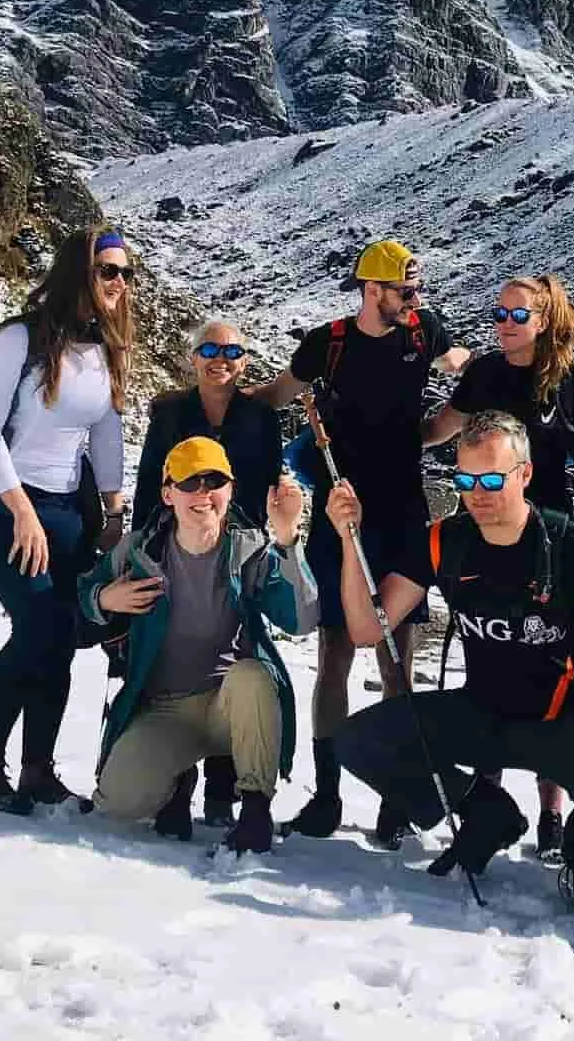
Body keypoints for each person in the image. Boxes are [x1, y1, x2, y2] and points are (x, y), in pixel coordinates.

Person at [333, 412, 574, 911]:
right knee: (359, 741)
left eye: (492, 479)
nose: (477, 494)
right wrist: (347, 539)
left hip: (565, 720)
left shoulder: (572, 548)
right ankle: (486, 812)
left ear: (525, 475)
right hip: (483, 712)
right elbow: (365, 629)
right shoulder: (445, 541)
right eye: (465, 480)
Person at [249, 239, 471, 844]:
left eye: (416, 289)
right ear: (373, 290)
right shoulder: (329, 343)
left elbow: (462, 364)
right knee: (336, 657)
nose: (415, 299)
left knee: (396, 660)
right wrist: (217, 404)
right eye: (404, 290)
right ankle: (327, 794)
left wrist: (486, 382)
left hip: (401, 512)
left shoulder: (423, 331)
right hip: (340, 512)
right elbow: (275, 397)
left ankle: (395, 799)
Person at [424, 274, 574, 858]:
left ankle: (552, 808)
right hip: (482, 535)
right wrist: (376, 435)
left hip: (553, 542)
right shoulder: (483, 373)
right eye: (499, 313)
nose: (505, 323)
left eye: (518, 315)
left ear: (545, 320)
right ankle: (488, 797)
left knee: (556, 668)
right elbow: (440, 429)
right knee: (489, 661)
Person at [0, 228, 133, 813]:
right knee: (39, 630)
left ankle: (37, 771)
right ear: (77, 271)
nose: (119, 283)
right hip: (8, 507)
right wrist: (21, 511)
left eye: (126, 273)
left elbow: (105, 430)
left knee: (60, 639)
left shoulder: (103, 347)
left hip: (68, 510)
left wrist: (112, 509)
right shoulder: (19, 340)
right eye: (108, 270)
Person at [79, 437, 315, 854]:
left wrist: (287, 537)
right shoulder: (139, 551)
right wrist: (103, 599)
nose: (202, 493)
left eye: (214, 481)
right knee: (119, 803)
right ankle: (176, 783)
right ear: (168, 493)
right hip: (165, 708)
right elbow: (85, 595)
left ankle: (256, 809)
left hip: (232, 704)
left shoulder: (252, 549)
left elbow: (302, 618)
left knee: (253, 677)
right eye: (190, 482)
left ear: (231, 490)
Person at [132, 319, 284, 829]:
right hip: (174, 545)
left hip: (237, 551)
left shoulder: (260, 417)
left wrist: (263, 548)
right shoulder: (170, 411)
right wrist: (136, 549)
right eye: (210, 349)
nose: (220, 358)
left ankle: (226, 785)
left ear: (244, 359)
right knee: (175, 649)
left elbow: (265, 483)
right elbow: (149, 479)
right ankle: (178, 782)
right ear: (193, 356)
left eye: (232, 350)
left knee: (233, 651)